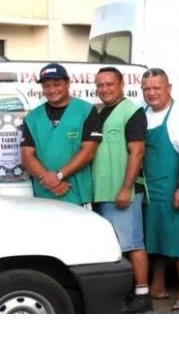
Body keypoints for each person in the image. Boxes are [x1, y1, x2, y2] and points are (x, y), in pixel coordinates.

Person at [92, 67, 151, 313]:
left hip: (123, 191)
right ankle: (125, 292)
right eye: (100, 85)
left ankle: (143, 295)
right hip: (101, 191)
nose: (104, 89)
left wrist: (126, 188)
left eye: (110, 84)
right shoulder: (98, 112)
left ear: (121, 84)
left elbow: (137, 152)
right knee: (115, 247)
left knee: (133, 244)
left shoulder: (132, 112)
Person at [141, 68, 179, 312]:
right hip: (150, 187)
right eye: (146, 88)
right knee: (155, 236)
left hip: (173, 187)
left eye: (157, 88)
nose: (151, 93)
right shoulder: (143, 113)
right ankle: (158, 284)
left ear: (169, 88)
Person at [21, 63, 102, 207]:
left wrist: (59, 175)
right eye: (46, 86)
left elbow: (88, 152)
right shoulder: (32, 117)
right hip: (44, 195)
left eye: (57, 84)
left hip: (77, 194)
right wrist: (49, 180)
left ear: (67, 83)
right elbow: (27, 156)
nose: (52, 90)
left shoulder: (86, 111)